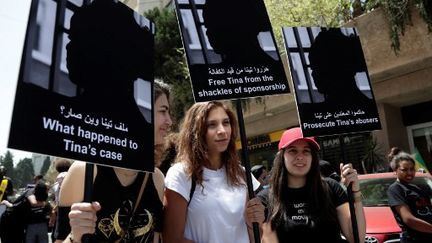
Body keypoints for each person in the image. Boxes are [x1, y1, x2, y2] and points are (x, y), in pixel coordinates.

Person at [56, 80, 173, 242]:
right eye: (163, 111)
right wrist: (74, 235)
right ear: (138, 113)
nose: (169, 122)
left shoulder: (157, 179)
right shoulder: (83, 172)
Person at [163, 101, 265, 243]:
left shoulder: (241, 173)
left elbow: (256, 238)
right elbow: (172, 239)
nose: (222, 130)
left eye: (226, 122)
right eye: (212, 125)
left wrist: (252, 224)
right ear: (196, 131)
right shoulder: (181, 174)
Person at [258, 127, 366, 243]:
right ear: (281, 156)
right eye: (293, 151)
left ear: (313, 157)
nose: (300, 157)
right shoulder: (265, 199)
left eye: (306, 151)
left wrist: (355, 193)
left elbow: (356, 238)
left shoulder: (331, 188)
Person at [387, 152, 432, 242]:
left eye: (412, 169)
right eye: (404, 170)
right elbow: (408, 219)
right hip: (414, 238)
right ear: (395, 171)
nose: (409, 173)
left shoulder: (417, 188)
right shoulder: (395, 189)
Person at [50, 158, 72, 242]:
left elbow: (57, 198)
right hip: (73, 207)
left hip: (62, 210)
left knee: (59, 237)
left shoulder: (58, 179)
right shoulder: (72, 175)